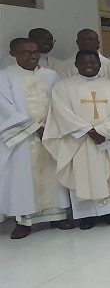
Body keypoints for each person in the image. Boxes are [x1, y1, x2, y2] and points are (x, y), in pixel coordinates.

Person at [43, 50, 110, 230]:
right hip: (79, 140)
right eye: (84, 63)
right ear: (76, 64)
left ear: (100, 64)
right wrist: (89, 131)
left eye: (93, 63)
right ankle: (86, 215)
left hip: (106, 140)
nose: (89, 66)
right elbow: (61, 113)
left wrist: (102, 131)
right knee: (83, 174)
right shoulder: (63, 87)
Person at [0, 38, 73, 239]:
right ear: (13, 53)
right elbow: (5, 109)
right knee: (23, 179)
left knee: (53, 176)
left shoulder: (51, 76)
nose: (32, 56)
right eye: (26, 52)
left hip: (51, 133)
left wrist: (51, 126)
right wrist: (34, 128)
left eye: (35, 52)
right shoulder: (5, 77)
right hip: (22, 139)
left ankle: (57, 215)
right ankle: (24, 222)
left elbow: (60, 102)